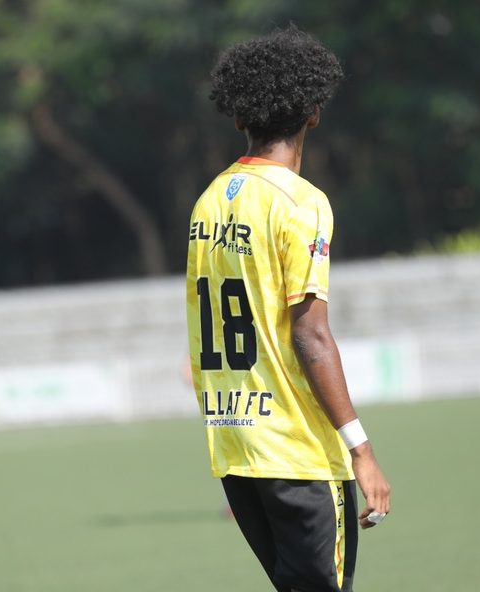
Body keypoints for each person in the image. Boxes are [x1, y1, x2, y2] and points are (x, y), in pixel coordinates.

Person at [185, 25, 391, 592]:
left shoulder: (209, 200)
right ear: (313, 112)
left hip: (236, 447)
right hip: (297, 450)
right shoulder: (301, 203)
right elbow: (311, 335)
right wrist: (362, 450)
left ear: (238, 117)